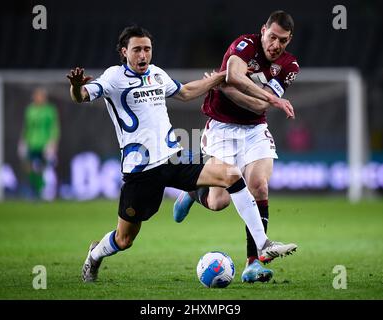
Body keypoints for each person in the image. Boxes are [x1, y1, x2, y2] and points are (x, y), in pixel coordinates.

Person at [67, 25, 297, 283]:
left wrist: (219, 78)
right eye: (137, 50)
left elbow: (186, 92)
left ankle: (262, 244)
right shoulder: (113, 77)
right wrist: (76, 87)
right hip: (141, 171)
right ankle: (95, 255)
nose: (143, 55)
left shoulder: (156, 74)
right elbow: (83, 96)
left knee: (231, 175)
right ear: (124, 52)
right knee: (124, 239)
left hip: (174, 157)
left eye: (147, 49)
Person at [173, 10, 300, 283]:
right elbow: (232, 72)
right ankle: (193, 193)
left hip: (255, 130)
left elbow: (257, 104)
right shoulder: (245, 45)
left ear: (289, 41)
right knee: (219, 202)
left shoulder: (290, 67)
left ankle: (254, 263)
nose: (276, 45)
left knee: (259, 186)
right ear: (263, 30)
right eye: (273, 37)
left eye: (283, 41)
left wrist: (226, 88)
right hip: (221, 127)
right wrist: (233, 83)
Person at [18, 87, 60, 199]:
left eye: (41, 96)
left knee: (45, 168)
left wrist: (53, 143)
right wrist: (23, 142)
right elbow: (26, 127)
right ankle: (35, 190)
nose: (39, 98)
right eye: (37, 96)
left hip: (44, 144)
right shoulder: (30, 110)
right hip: (32, 143)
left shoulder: (49, 110)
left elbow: (54, 128)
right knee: (29, 167)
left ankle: (45, 191)